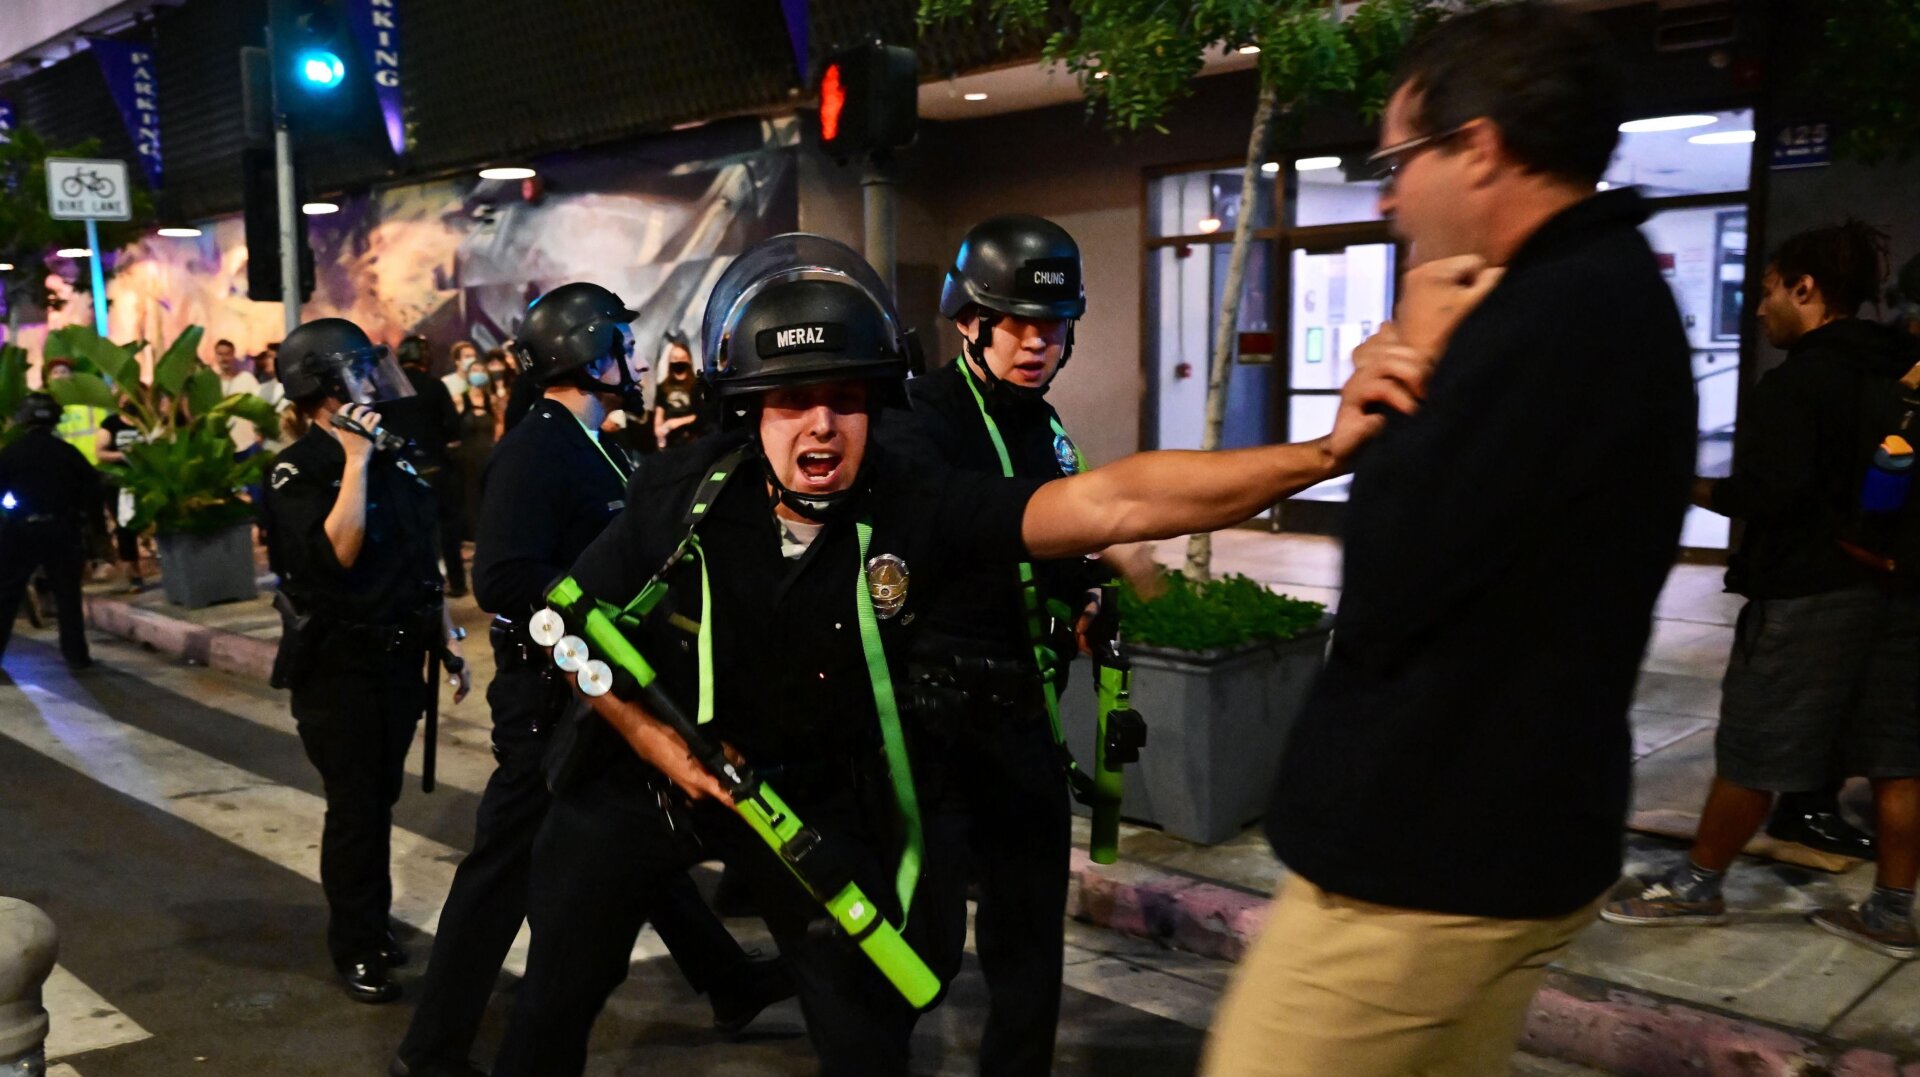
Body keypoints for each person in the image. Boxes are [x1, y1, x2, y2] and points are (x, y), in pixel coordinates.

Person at [489, 233, 1440, 1076]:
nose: (821, 424)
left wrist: (1323, 453)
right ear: (750, 409)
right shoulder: (684, 488)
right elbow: (564, 620)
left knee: (864, 1026)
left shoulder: (914, 498)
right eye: (791, 401)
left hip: (797, 792)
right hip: (639, 766)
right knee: (560, 994)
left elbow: (1110, 504)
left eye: (845, 400)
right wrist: (653, 742)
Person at [1202, 6, 1696, 1075]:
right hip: (1520, 842)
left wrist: (1410, 367)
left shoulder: (1543, 321)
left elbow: (1394, 572)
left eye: (1394, 160)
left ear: (1477, 148)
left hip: (1420, 860)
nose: (1384, 197)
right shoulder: (1612, 294)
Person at [391, 283, 786, 1077]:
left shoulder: (600, 440)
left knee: (633, 844)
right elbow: (504, 574)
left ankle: (729, 979)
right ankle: (430, 1051)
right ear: (588, 353)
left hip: (598, 689)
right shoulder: (536, 448)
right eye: (622, 344)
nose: (635, 360)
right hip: (548, 696)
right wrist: (585, 611)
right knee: (503, 872)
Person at [877, 213, 1160, 1075]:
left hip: (1025, 722)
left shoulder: (1047, 426)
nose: (1038, 342)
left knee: (1031, 940)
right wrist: (1101, 534)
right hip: (933, 724)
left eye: (1055, 325)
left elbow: (1054, 553)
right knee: (914, 942)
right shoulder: (917, 417)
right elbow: (962, 525)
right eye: (1019, 323)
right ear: (969, 320)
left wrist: (1085, 592)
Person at [1603, 222, 1920, 959]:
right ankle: (1893, 910)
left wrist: (1687, 482)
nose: (1760, 308)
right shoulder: (1905, 366)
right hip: (1902, 586)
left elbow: (1767, 494)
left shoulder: (1801, 381)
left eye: (1769, 290)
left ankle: (1694, 885)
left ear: (1806, 289)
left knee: (1756, 743)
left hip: (1810, 592)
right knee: (1897, 753)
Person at [265, 318, 473, 1004]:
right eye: (357, 372)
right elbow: (333, 557)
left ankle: (372, 923)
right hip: (339, 670)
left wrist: (445, 636)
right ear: (320, 387)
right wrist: (354, 462)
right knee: (355, 809)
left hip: (396, 661)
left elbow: (419, 559)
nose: (372, 383)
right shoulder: (299, 469)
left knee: (378, 801)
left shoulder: (396, 455)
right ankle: (356, 944)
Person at [0, 393, 100, 672]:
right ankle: (77, 656)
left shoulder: (12, 452)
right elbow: (92, 487)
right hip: (61, 529)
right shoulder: (67, 452)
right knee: (68, 595)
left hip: (21, 530)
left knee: (7, 594)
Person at [383, 335, 469, 598]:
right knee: (447, 528)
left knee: (410, 529)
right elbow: (453, 426)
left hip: (402, 469)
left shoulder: (388, 390)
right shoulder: (435, 386)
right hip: (436, 466)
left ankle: (420, 584)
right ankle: (456, 581)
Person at [95, 402, 147, 592]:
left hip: (147, 479)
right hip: (119, 481)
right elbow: (100, 452)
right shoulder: (111, 423)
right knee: (125, 526)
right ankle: (133, 572)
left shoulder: (147, 420)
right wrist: (122, 455)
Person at [449, 360, 500, 539]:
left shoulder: (491, 400)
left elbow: (499, 426)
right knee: (471, 496)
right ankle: (475, 535)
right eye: (475, 370)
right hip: (468, 456)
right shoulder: (459, 399)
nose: (478, 373)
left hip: (489, 453)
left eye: (481, 370)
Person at [652, 330, 714, 450]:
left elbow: (703, 415)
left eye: (682, 358)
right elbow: (658, 417)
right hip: (671, 446)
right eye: (675, 358)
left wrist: (674, 423)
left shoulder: (698, 386)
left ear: (689, 360)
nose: (679, 362)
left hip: (694, 441)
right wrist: (660, 430)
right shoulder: (663, 387)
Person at [214, 338, 263, 456]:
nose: (224, 358)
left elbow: (260, 408)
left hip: (249, 444)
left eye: (227, 354)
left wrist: (260, 435)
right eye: (220, 354)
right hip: (223, 449)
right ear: (215, 356)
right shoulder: (213, 384)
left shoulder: (247, 379)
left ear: (233, 355)